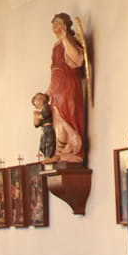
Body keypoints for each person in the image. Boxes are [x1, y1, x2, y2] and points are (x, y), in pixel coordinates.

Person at [48, 13, 88, 164]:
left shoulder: (70, 40)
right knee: (57, 118)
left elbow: (77, 60)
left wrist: (65, 39)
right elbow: (54, 69)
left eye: (58, 24)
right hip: (57, 87)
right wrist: (49, 91)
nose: (55, 28)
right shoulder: (55, 46)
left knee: (68, 115)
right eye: (53, 25)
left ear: (65, 26)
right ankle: (61, 151)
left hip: (68, 85)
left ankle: (74, 150)